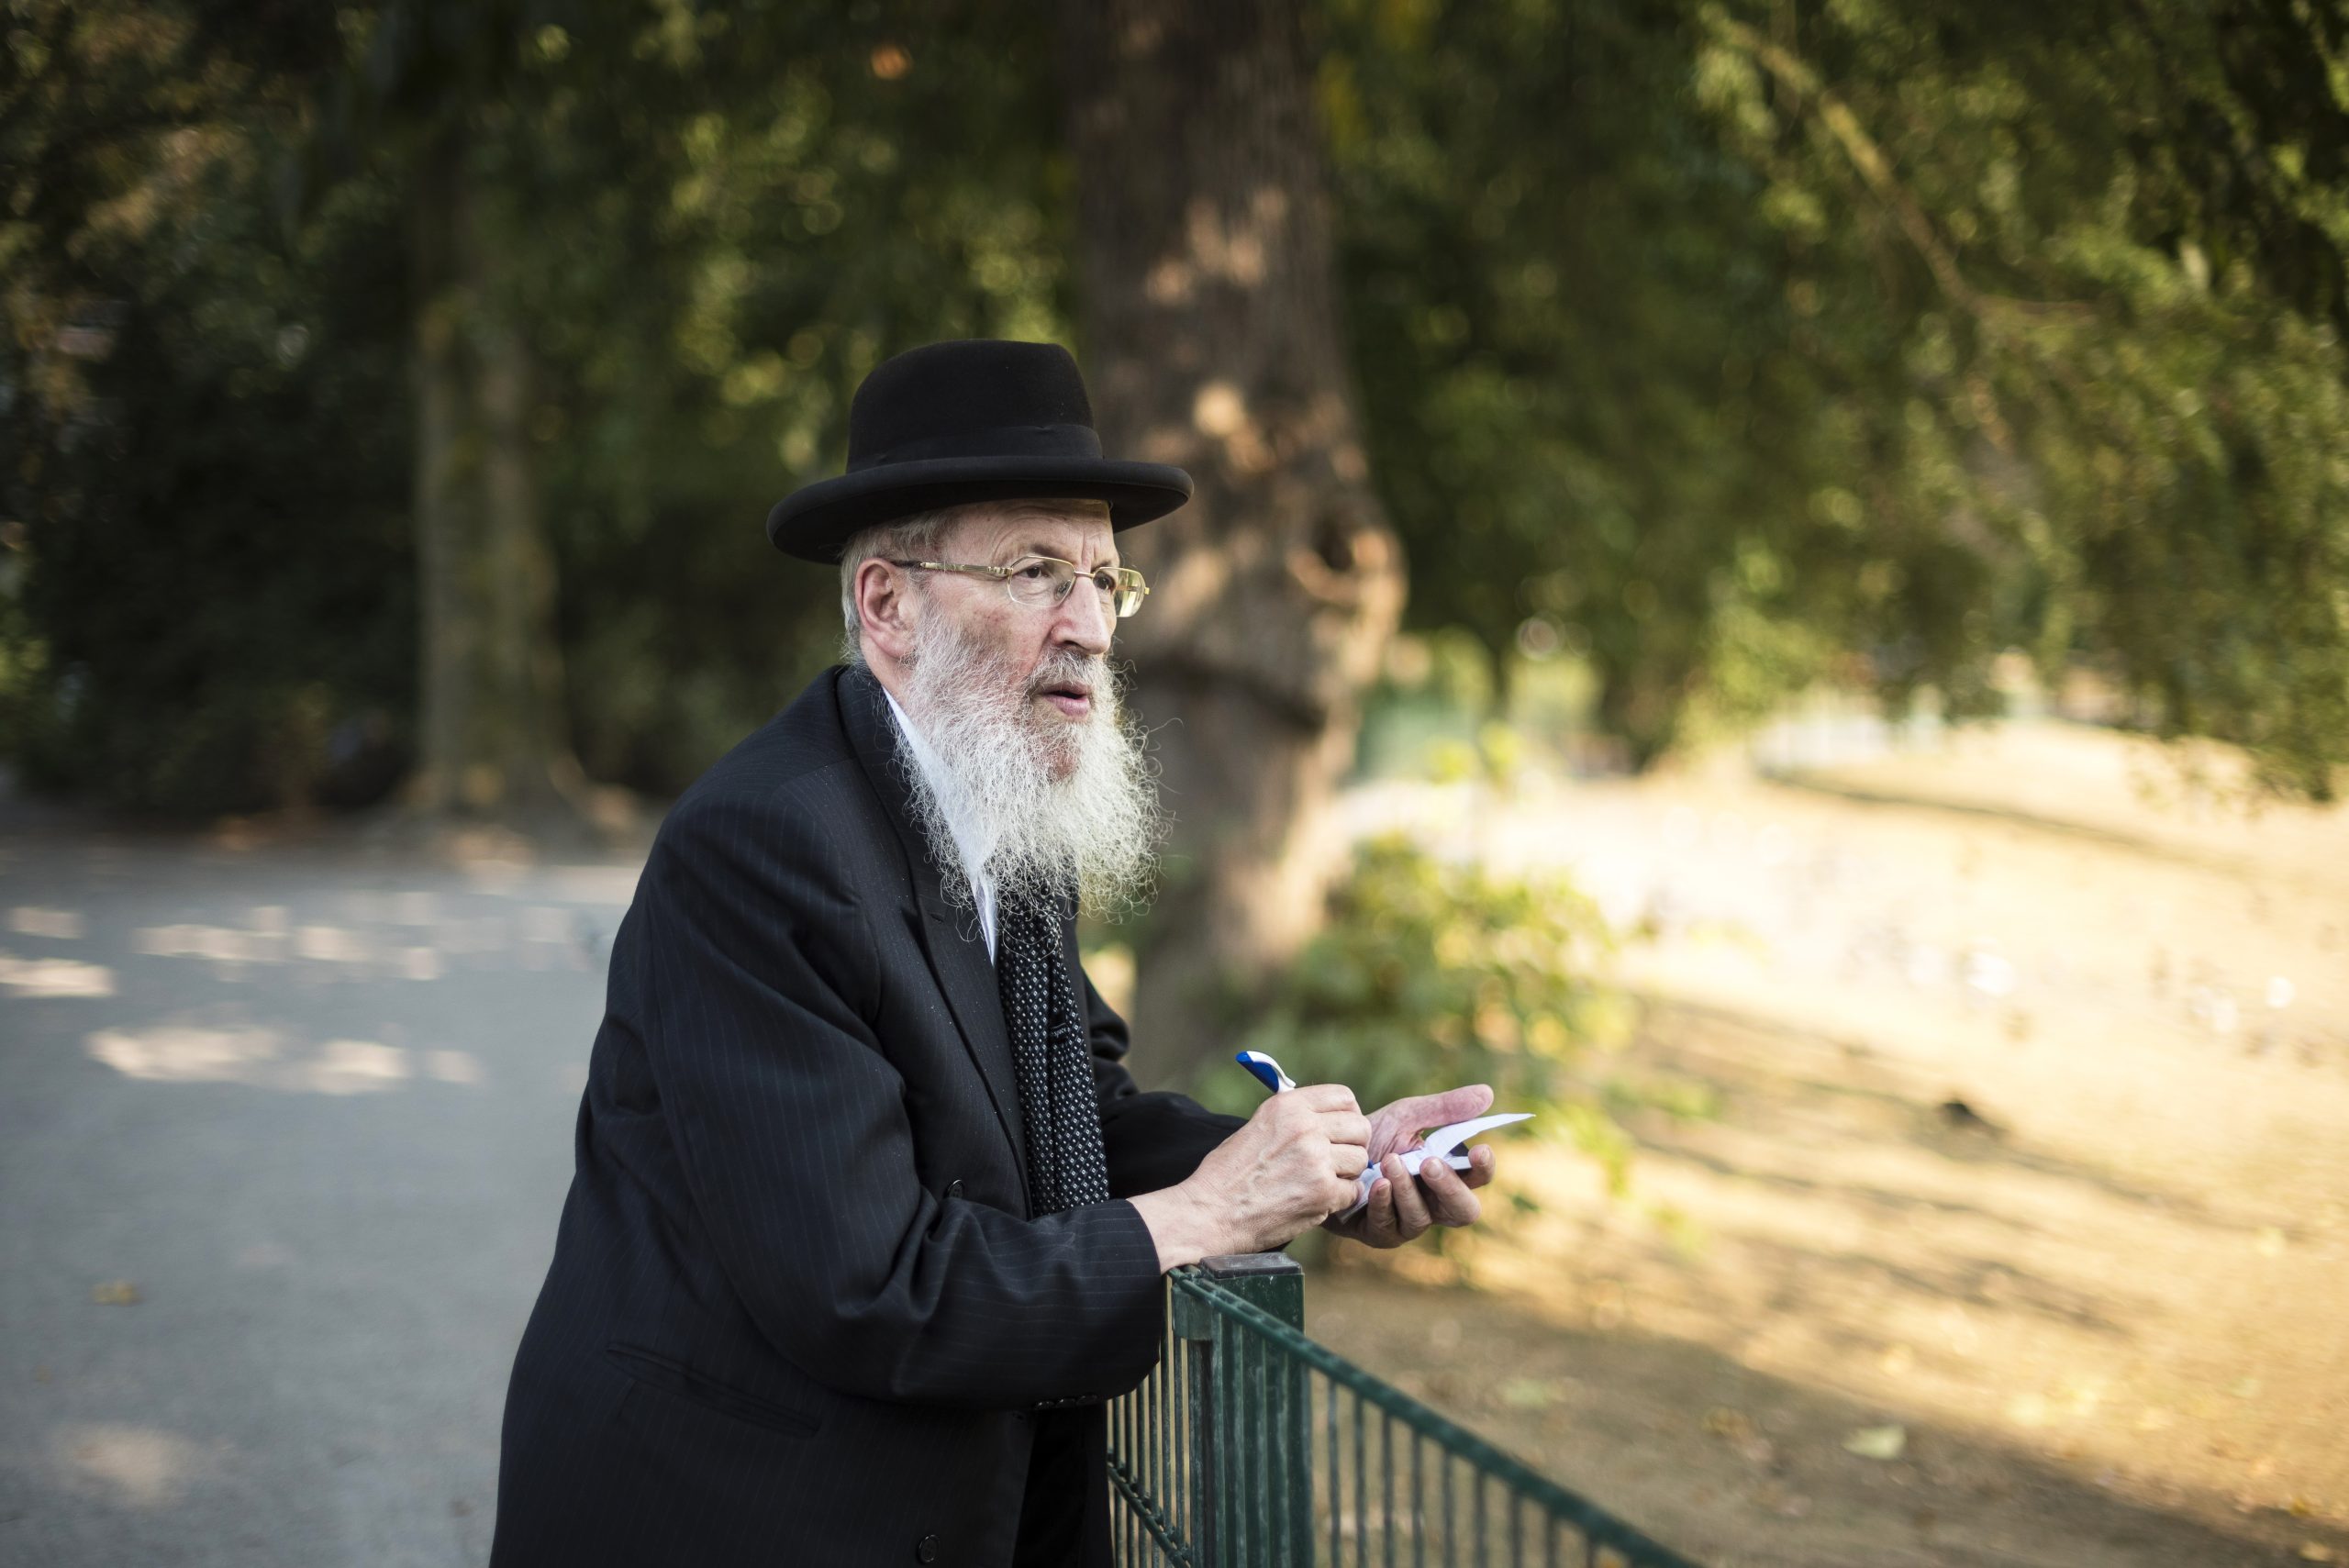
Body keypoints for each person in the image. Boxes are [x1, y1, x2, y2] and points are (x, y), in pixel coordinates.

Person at [488, 339, 1498, 1567]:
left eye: (1104, 580)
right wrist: (1203, 1212)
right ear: (888, 605)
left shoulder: (1003, 813)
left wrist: (1325, 1168)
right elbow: (868, 1286)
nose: (1086, 626)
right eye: (1033, 573)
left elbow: (1076, 1119)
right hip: (740, 1510)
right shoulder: (761, 847)